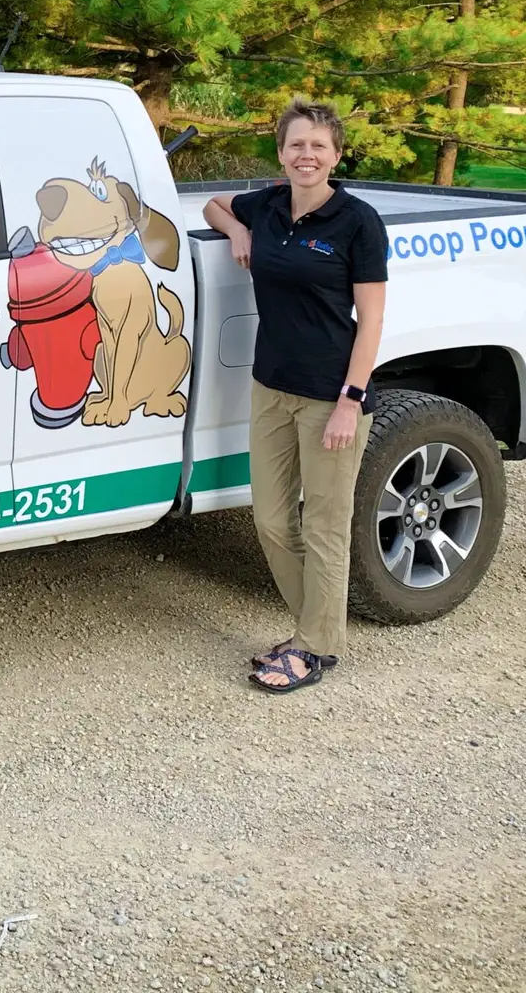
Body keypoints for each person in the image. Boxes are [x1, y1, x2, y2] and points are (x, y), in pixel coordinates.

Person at [202, 100, 388, 694]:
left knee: (326, 527)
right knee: (273, 521)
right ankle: (315, 628)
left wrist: (350, 401)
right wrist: (238, 230)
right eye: (296, 145)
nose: (307, 155)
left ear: (336, 155)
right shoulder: (269, 205)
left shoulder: (357, 222)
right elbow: (214, 205)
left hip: (330, 396)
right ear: (281, 153)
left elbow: (372, 320)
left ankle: (315, 645)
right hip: (270, 387)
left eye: (318, 146)